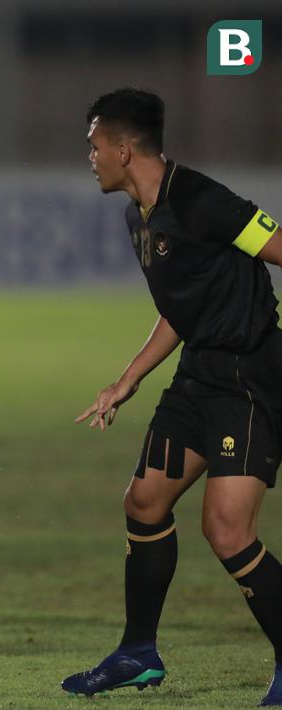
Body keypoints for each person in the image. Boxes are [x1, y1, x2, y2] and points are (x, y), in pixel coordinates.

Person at [61, 88, 282, 704]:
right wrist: (126, 379)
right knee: (144, 502)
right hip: (199, 376)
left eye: (95, 145)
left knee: (228, 532)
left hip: (249, 377)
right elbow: (180, 311)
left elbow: (281, 246)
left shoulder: (203, 200)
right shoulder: (141, 217)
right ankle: (138, 653)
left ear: (125, 149)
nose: (91, 156)